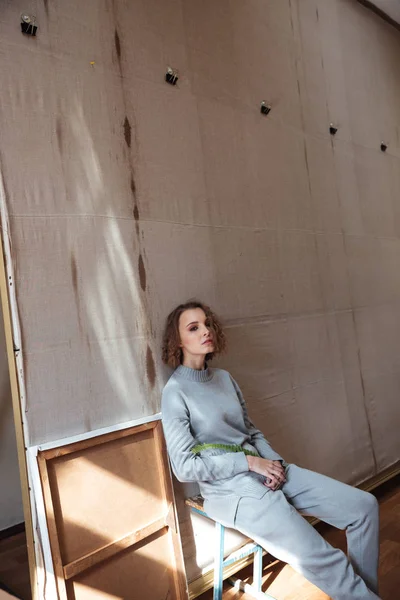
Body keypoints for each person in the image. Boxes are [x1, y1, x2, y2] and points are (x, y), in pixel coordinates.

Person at [161, 300, 381, 600]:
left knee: (363, 507)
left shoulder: (225, 379)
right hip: (230, 491)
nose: (205, 331)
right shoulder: (175, 393)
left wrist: (273, 462)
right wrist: (249, 463)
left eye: (207, 324)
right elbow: (185, 467)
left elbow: (250, 430)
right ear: (178, 341)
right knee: (326, 559)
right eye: (193, 327)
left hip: (268, 470)